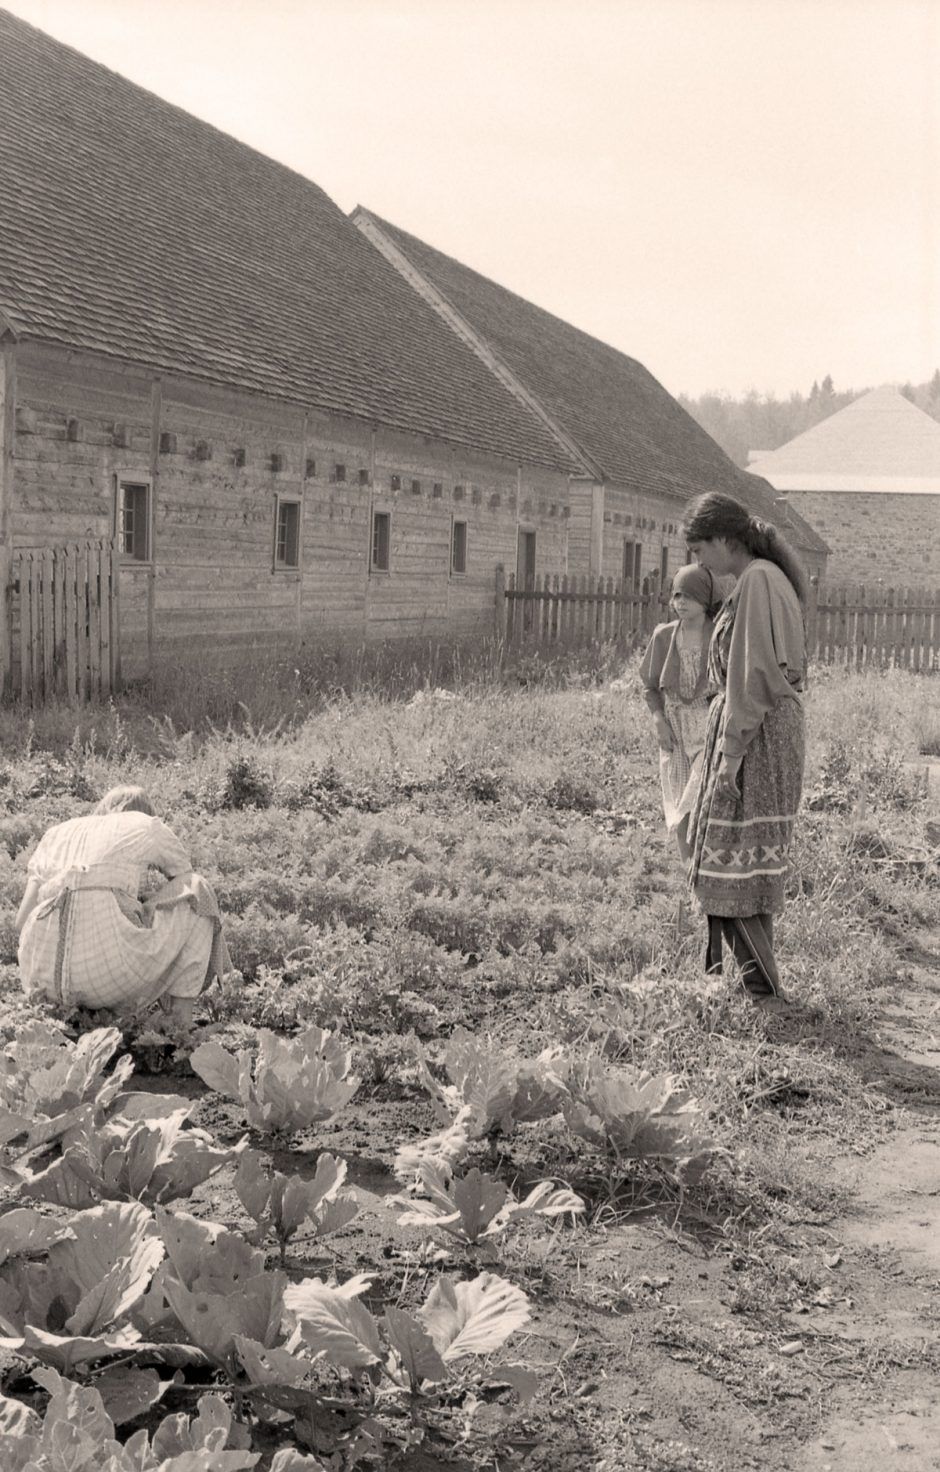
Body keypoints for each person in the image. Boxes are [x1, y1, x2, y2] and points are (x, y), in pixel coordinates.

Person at [682, 493, 807, 1002]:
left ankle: (761, 990)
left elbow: (753, 676)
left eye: (699, 549)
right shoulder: (766, 578)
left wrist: (730, 756)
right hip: (763, 731)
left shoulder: (757, 579)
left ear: (723, 540)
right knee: (740, 865)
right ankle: (754, 987)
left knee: (729, 866)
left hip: (756, 736)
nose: (698, 563)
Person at [16, 785, 230, 1031]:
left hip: (39, 978)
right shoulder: (147, 825)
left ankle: (73, 1016)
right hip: (104, 975)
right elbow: (184, 878)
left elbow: (22, 921)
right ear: (146, 812)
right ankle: (179, 1020)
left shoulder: (55, 834)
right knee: (199, 890)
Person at [639, 563, 720, 861]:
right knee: (677, 798)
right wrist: (658, 720)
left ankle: (706, 864)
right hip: (673, 729)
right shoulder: (664, 636)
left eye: (689, 596)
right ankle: (688, 868)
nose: (681, 603)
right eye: (677, 596)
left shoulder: (718, 637)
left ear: (705, 600)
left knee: (699, 796)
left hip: (708, 725)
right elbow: (650, 687)